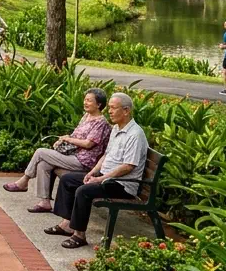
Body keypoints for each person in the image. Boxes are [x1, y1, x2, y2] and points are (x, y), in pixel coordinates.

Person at [45, 92, 149, 249]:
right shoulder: (116, 128)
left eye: (113, 108)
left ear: (126, 111)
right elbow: (106, 155)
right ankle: (67, 224)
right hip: (107, 177)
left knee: (84, 191)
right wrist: (92, 172)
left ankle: (79, 235)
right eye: (109, 108)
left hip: (122, 184)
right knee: (68, 179)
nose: (109, 112)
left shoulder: (135, 134)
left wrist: (100, 179)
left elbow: (128, 166)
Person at [3, 89, 112, 211]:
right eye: (85, 99)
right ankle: (44, 202)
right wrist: (63, 140)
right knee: (43, 164)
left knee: (40, 152)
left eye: (89, 100)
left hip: (84, 162)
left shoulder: (101, 123)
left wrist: (69, 139)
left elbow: (88, 144)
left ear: (98, 104)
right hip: (73, 156)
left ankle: (24, 181)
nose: (85, 102)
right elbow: (76, 135)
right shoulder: (87, 116)